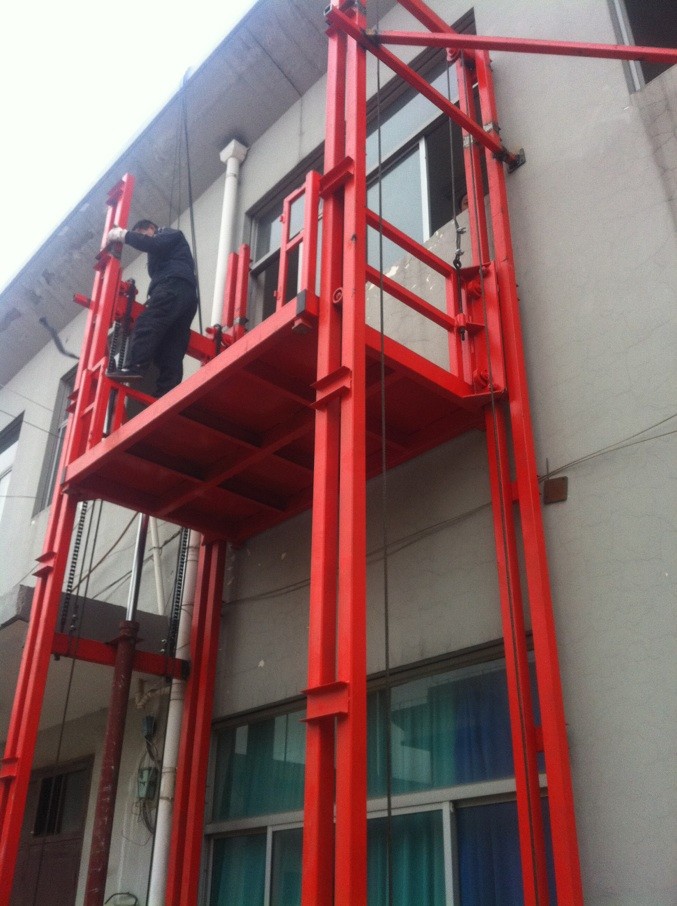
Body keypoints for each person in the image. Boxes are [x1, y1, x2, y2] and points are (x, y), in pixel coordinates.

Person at [105, 220, 198, 396]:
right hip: (185, 294)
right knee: (171, 344)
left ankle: (135, 366)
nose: (141, 238)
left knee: (148, 323)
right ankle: (168, 392)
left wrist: (123, 235)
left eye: (141, 233)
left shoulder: (167, 234)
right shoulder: (164, 249)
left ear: (152, 228)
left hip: (173, 285)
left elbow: (152, 243)